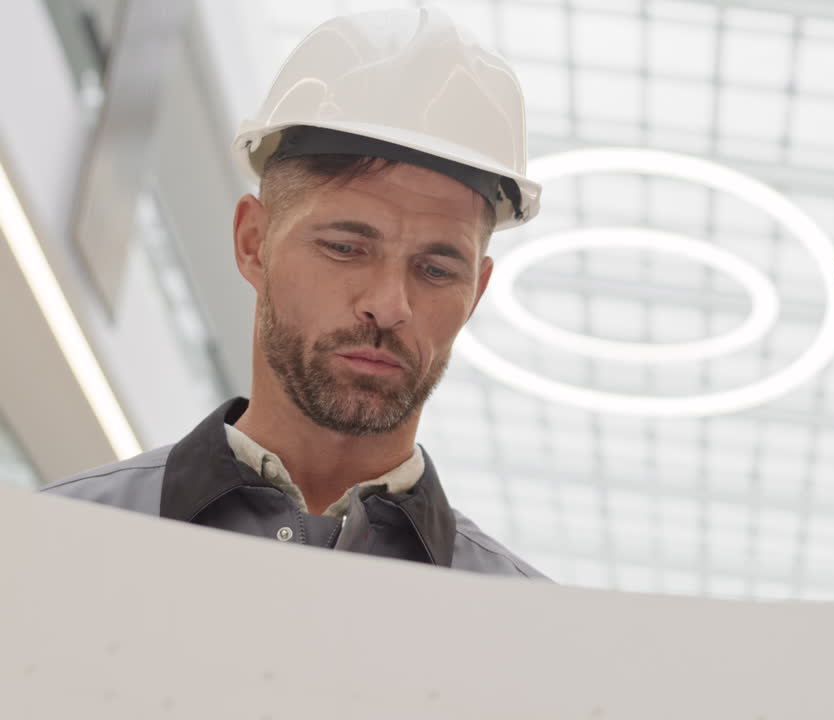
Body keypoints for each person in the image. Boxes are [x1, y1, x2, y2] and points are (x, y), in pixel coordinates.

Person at [44, 8, 544, 578]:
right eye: (345, 248)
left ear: (475, 293)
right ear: (253, 243)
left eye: (434, 271)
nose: (389, 305)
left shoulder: (532, 630)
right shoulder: (47, 549)